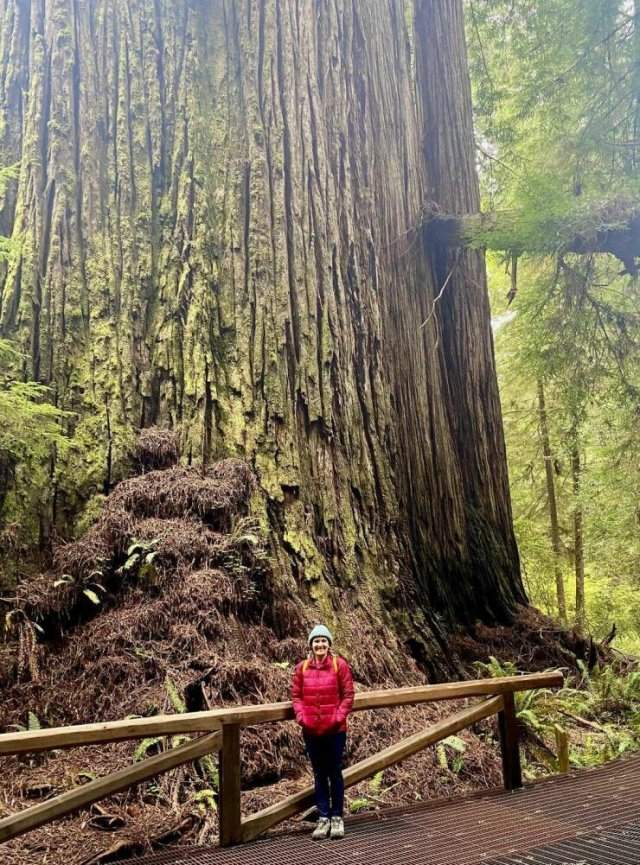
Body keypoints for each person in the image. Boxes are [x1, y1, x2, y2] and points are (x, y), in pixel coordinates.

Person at [291, 624, 355, 840]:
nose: (320, 644)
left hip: (335, 730)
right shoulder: (302, 668)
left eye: (323, 641)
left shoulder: (340, 666)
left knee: (334, 772)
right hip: (311, 730)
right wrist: (302, 718)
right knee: (319, 773)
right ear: (311, 645)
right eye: (316, 641)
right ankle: (323, 817)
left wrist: (337, 718)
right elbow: (296, 697)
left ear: (329, 644)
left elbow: (348, 696)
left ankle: (337, 816)